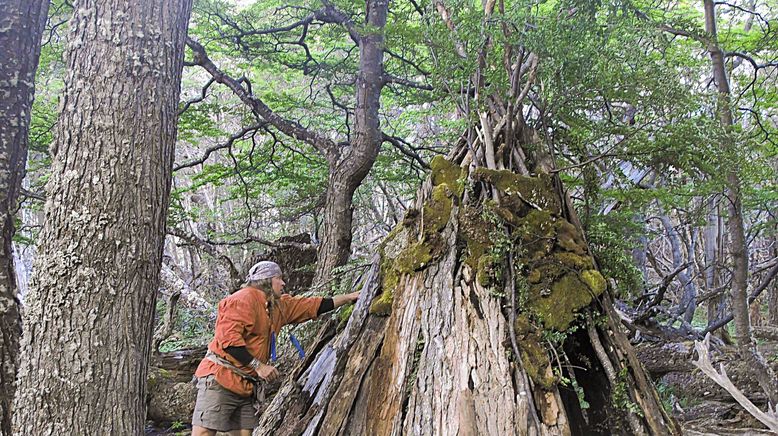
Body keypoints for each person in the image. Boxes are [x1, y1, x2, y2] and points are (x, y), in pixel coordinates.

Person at [191, 261, 359, 436]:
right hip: (221, 378)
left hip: (247, 385)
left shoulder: (277, 306)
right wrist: (259, 366)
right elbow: (229, 342)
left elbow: (314, 305)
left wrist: (349, 297)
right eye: (279, 278)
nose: (283, 283)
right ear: (267, 280)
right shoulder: (241, 300)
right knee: (204, 432)